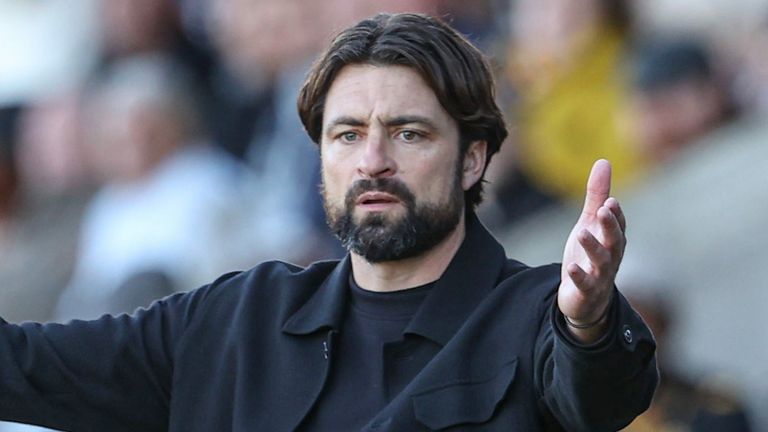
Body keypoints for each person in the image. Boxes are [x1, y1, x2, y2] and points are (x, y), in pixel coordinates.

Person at [0, 12, 657, 431]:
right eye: (346, 135)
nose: (372, 161)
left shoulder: (537, 313)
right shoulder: (235, 318)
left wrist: (587, 322)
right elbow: (25, 367)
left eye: (407, 134)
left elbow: (597, 397)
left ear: (470, 159)